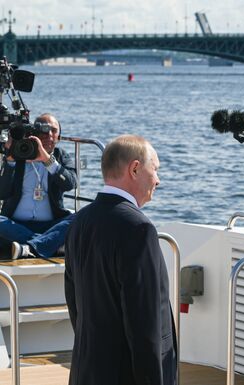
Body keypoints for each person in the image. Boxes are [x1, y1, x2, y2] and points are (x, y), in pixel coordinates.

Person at [64, 134, 177, 385]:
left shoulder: (79, 222)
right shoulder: (139, 228)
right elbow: (144, 323)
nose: (157, 180)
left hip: (87, 370)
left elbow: (75, 305)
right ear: (135, 168)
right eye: (155, 169)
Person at [0, 113, 77, 259]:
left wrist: (47, 161)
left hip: (51, 224)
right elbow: (2, 193)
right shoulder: (20, 153)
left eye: (53, 130)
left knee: (79, 217)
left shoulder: (61, 157)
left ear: (58, 137)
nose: (48, 134)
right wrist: (10, 159)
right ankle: (45, 242)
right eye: (43, 129)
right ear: (34, 132)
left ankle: (29, 247)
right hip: (16, 224)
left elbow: (70, 183)